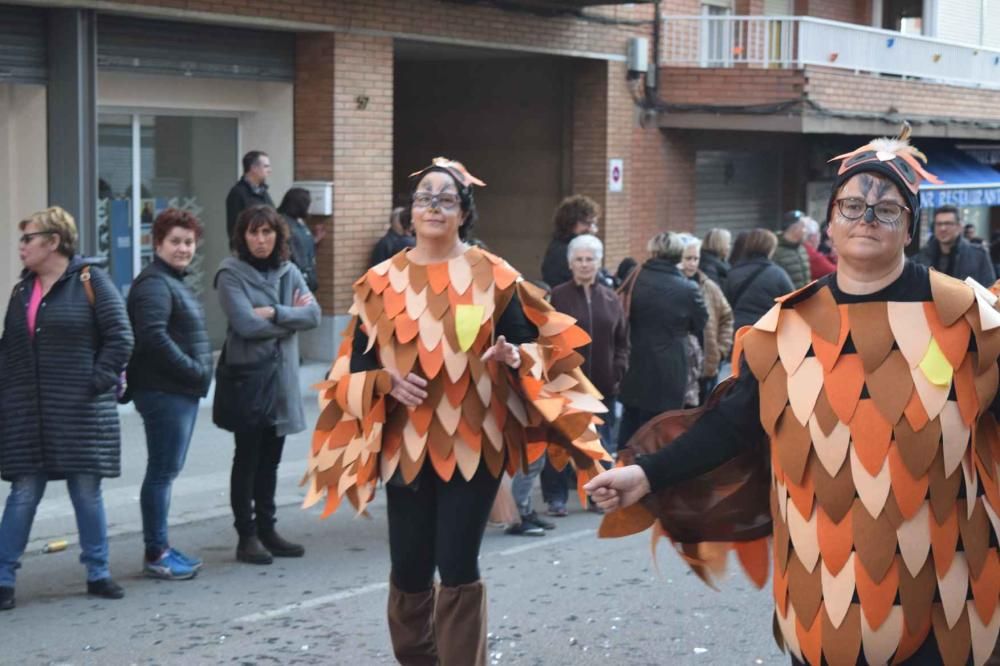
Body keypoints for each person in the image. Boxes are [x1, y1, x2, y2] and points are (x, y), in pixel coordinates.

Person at [586, 128, 1000, 665]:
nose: (866, 218)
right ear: (830, 221)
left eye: (886, 209)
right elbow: (731, 424)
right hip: (823, 584)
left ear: (910, 227)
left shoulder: (965, 318)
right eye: (852, 205)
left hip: (947, 586)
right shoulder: (786, 326)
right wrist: (645, 473)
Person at [303, 157, 609, 665]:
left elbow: (538, 347)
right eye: (425, 197)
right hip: (405, 444)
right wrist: (384, 382)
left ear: (464, 213)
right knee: (408, 568)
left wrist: (515, 356)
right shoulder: (381, 280)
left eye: (446, 199)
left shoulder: (493, 275)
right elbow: (350, 374)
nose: (433, 207)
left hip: (474, 439)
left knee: (458, 563)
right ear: (412, 211)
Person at [0, 206, 134, 610]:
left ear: (53, 241)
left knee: (86, 491)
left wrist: (94, 383)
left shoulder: (92, 281)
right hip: (30, 411)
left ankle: (98, 572)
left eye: (29, 238)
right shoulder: (22, 291)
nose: (21, 247)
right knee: (23, 493)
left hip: (81, 411)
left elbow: (121, 337)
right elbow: (11, 350)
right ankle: (3, 577)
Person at [215, 205, 320, 565]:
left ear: (278, 235)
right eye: (253, 233)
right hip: (249, 379)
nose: (260, 241)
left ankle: (268, 528)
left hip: (281, 380)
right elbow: (245, 325)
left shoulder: (288, 271)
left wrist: (276, 313)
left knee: (271, 460)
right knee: (247, 457)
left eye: (267, 233)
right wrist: (292, 321)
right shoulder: (230, 274)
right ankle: (246, 535)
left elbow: (314, 315)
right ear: (242, 236)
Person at [127, 208, 213, 580]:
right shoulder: (153, 284)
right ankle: (156, 552)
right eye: (175, 241)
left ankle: (159, 545)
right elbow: (153, 337)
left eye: (188, 242)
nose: (182, 248)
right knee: (162, 472)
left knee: (166, 470)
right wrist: (193, 370)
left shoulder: (171, 280)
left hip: (176, 390)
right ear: (157, 243)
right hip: (165, 391)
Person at [544, 234, 629, 515]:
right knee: (560, 442)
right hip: (567, 383)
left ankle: (597, 496)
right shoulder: (557, 296)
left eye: (589, 259)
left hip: (603, 385)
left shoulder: (610, 298)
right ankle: (555, 498)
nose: (584, 264)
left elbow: (622, 341)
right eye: (579, 259)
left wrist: (618, 370)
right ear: (570, 263)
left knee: (600, 444)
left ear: (599, 262)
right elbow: (545, 338)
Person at [617, 231, 708, 450]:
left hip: (634, 360)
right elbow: (700, 322)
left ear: (653, 251)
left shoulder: (634, 277)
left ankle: (622, 466)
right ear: (679, 255)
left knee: (631, 421)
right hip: (671, 365)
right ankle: (654, 474)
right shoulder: (688, 289)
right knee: (664, 424)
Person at [678, 234, 733, 404]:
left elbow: (726, 317)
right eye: (688, 258)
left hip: (706, 367)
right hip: (680, 369)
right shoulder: (672, 286)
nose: (693, 263)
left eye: (696, 258)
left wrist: (720, 350)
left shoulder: (708, 286)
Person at [724, 228, 795, 331]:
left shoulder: (733, 273)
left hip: (738, 330)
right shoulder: (778, 274)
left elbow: (726, 305)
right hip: (766, 330)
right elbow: (793, 304)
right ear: (770, 249)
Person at [915, 204, 996, 285]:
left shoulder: (978, 255)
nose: (943, 228)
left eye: (948, 224)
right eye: (939, 224)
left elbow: (989, 290)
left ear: (959, 226)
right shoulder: (923, 255)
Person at [540, 194, 599, 288]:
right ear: (569, 223)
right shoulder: (563, 252)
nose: (591, 229)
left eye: (593, 224)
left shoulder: (570, 247)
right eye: (586, 223)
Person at [277, 187, 323, 293]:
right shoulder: (285, 224)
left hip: (306, 276)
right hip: (296, 279)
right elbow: (295, 250)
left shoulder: (298, 222)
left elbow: (301, 247)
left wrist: (315, 239)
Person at [226, 150, 274, 242]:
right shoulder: (238, 193)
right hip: (249, 251)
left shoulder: (263, 192)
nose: (270, 170)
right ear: (254, 168)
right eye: (266, 166)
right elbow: (234, 228)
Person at [772, 210, 811, 289]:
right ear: (794, 228)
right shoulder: (775, 251)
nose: (806, 231)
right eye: (803, 227)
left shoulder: (802, 249)